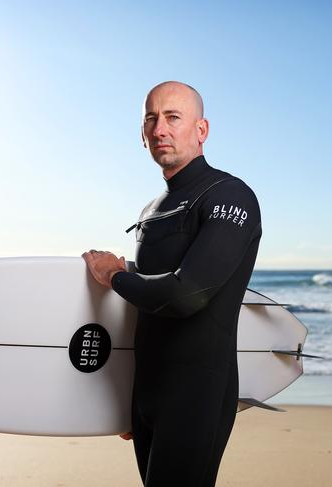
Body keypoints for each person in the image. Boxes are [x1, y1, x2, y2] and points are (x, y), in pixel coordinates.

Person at [82, 81, 261, 487]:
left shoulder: (230, 195)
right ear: (143, 135)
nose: (160, 128)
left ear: (201, 130)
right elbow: (143, 311)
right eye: (151, 118)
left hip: (197, 392)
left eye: (173, 117)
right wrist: (131, 399)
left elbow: (187, 294)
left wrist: (114, 275)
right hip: (147, 393)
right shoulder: (152, 209)